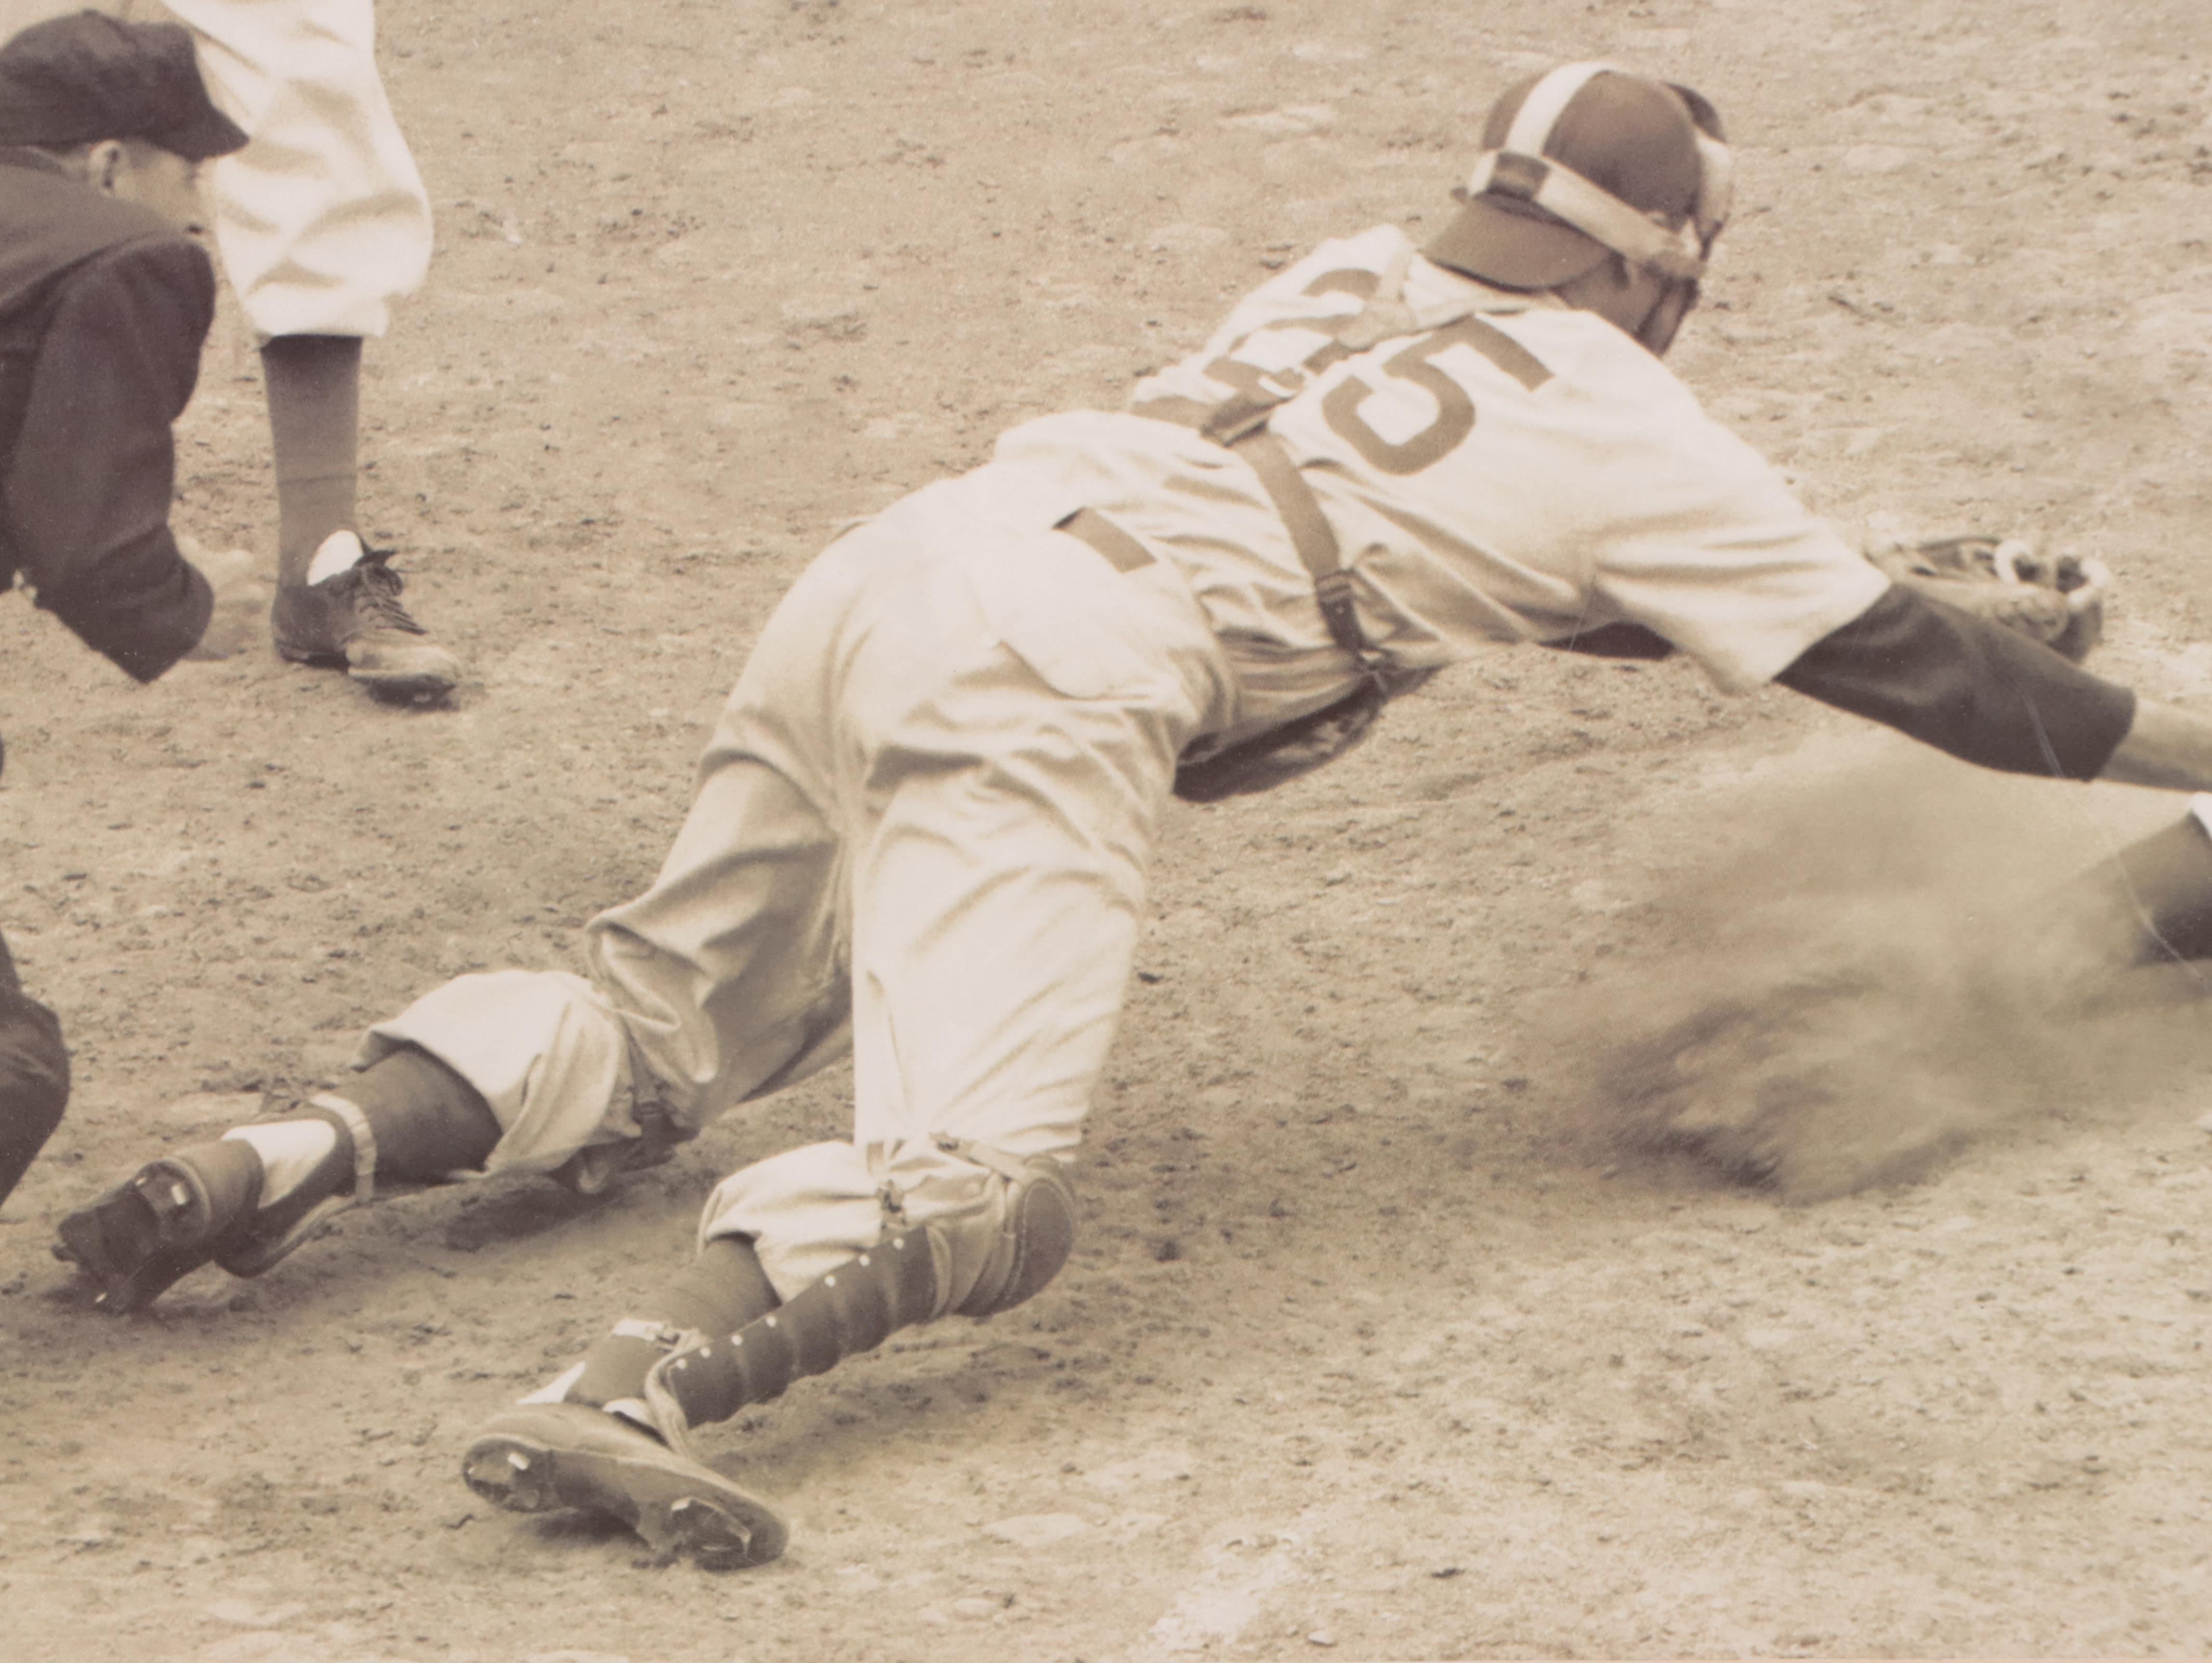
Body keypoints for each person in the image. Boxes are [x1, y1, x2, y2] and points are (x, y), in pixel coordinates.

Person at [51, 62, 2212, 1569]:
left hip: (897, 569)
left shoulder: (1343, 268)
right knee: (976, 1190)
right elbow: (1943, 689)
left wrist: (1853, 590)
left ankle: (280, 1150)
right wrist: (2164, 735)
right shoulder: (1628, 409)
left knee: (662, 1011)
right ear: (1659, 260)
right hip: (1048, 672)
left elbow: (1472, 568)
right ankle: (631, 1386)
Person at [5, 0, 459, 698]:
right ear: (108, 171)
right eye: (193, 182)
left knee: (296, 65)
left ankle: (322, 548)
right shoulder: (135, 268)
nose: (200, 219)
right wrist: (164, 599)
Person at [0, 10, 265, 1207]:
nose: (200, 206)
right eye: (189, 168)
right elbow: (94, 551)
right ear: (111, 163)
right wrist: (199, 610)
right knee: (9, 1067)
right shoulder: (121, 254)